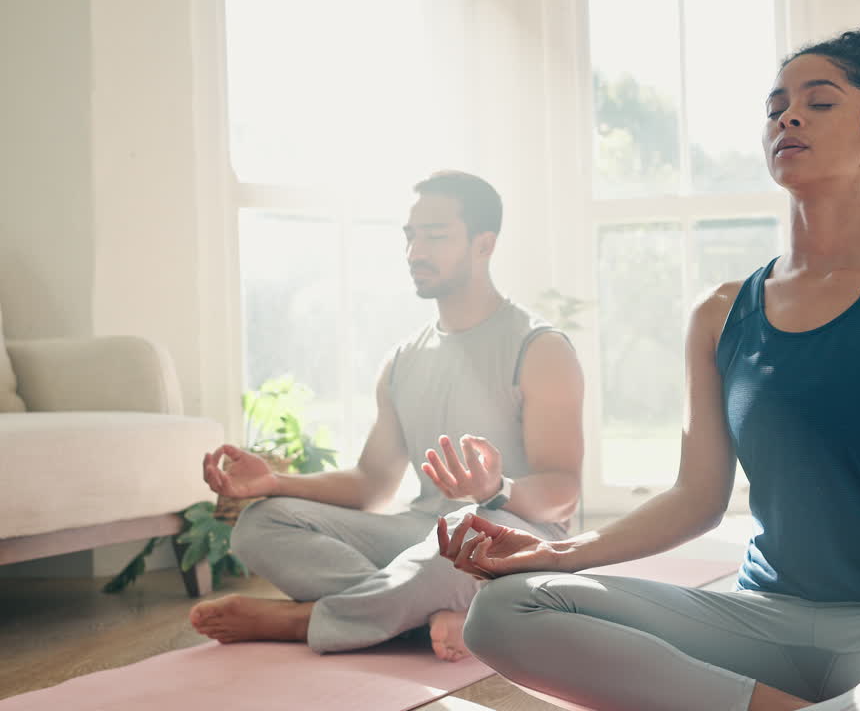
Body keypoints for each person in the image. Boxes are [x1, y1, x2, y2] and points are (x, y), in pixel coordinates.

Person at [440, 29, 860, 710]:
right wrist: (552, 554)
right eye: (776, 107)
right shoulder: (719, 314)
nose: (787, 117)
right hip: (754, 625)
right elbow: (695, 498)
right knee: (503, 611)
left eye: (819, 103)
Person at [188, 170, 584, 663]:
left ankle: (304, 621)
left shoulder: (540, 348)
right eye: (410, 236)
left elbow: (563, 493)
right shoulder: (402, 360)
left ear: (485, 244)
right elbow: (372, 483)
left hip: (513, 538)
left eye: (435, 236)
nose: (416, 252)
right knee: (259, 524)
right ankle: (425, 621)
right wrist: (272, 483)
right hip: (423, 534)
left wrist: (496, 490)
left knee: (462, 537)